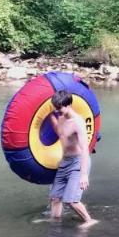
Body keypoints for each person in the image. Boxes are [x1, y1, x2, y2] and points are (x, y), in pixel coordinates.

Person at [46, 91, 96, 226]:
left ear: (68, 105)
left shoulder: (78, 122)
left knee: (71, 200)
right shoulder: (61, 118)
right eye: (55, 107)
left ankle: (89, 221)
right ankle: (55, 221)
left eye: (59, 107)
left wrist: (84, 174)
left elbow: (85, 149)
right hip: (64, 162)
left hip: (77, 162)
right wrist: (50, 115)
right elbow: (60, 132)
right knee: (55, 198)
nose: (57, 110)